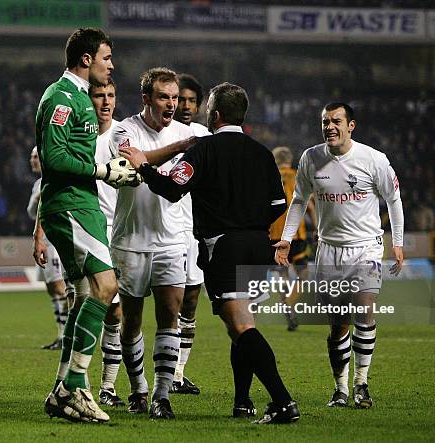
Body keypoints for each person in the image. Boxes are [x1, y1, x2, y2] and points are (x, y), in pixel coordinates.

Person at [121, 82, 300, 425]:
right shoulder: (262, 152)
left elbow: (172, 189)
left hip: (225, 246)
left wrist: (143, 166)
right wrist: (252, 225)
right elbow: (279, 205)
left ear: (215, 115)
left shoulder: (204, 149)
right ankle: (242, 401)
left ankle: (282, 400)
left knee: (241, 326)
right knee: (242, 326)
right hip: (258, 245)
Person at [33, 27, 137, 424]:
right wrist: (103, 170)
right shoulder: (62, 97)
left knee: (83, 294)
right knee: (106, 287)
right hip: (72, 204)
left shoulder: (75, 96)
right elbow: (55, 158)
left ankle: (63, 387)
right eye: (107, 57)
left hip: (79, 203)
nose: (111, 65)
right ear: (87, 59)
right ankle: (76, 386)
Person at [273, 102, 404, 409]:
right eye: (325, 122)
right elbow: (299, 201)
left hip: (366, 248)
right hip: (329, 251)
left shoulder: (374, 160)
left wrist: (397, 242)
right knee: (338, 324)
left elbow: (394, 200)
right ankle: (341, 388)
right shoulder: (311, 158)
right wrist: (286, 239)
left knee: (364, 309)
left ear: (351, 126)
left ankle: (361, 384)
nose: (329, 126)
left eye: (336, 121)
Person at [109, 67, 195, 419]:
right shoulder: (124, 130)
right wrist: (180, 148)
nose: (171, 104)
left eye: (175, 97)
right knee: (131, 321)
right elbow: (134, 163)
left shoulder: (188, 133)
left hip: (172, 240)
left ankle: (161, 394)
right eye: (163, 97)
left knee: (170, 316)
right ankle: (138, 388)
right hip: (131, 240)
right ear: (146, 98)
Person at [170, 73, 210, 394]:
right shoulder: (158, 132)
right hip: (163, 229)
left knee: (191, 300)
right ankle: (162, 372)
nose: (184, 106)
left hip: (193, 230)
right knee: (167, 302)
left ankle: (178, 373)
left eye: (191, 101)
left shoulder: (204, 136)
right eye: (180, 99)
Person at [88, 81, 125, 407]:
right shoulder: (79, 136)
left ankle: (108, 388)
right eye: (100, 96)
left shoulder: (123, 136)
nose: (106, 102)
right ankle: (75, 383)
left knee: (116, 312)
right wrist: (40, 232)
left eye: (110, 96)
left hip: (121, 233)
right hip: (87, 230)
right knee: (87, 306)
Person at [269, 146, 317, 331]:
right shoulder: (299, 176)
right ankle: (289, 303)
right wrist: (317, 228)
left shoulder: (268, 176)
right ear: (290, 158)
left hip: (274, 235)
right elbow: (310, 207)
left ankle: (285, 305)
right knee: (303, 274)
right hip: (296, 234)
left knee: (281, 274)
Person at [27, 147, 68, 350]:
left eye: (36, 157)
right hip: (43, 240)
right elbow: (32, 213)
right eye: (31, 157)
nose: (32, 160)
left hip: (53, 241)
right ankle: (60, 334)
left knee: (60, 287)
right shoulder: (38, 184)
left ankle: (67, 336)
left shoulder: (53, 181)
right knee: (52, 288)